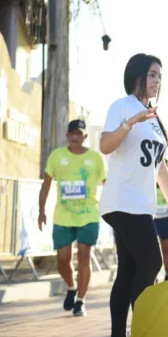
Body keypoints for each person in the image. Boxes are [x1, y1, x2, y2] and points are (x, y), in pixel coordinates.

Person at [99, 53, 168, 337]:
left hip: (142, 203)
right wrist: (129, 123)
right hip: (123, 200)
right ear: (136, 76)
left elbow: (159, 166)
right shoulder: (122, 106)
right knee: (152, 263)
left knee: (129, 270)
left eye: (159, 76)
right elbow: (105, 145)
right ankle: (144, 336)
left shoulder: (155, 118)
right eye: (151, 74)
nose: (157, 81)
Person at [38, 119, 107, 317]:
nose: (76, 137)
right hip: (63, 215)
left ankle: (80, 301)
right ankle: (71, 286)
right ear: (67, 136)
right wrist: (42, 210)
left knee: (84, 256)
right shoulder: (57, 156)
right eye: (72, 133)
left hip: (89, 215)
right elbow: (46, 184)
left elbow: (107, 184)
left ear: (85, 137)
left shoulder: (96, 158)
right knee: (62, 259)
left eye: (80, 133)